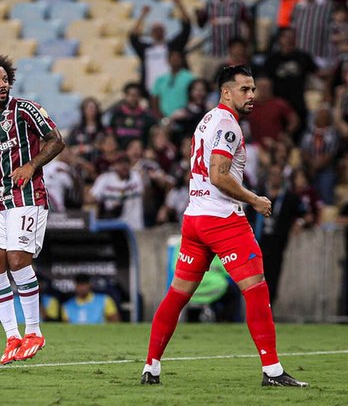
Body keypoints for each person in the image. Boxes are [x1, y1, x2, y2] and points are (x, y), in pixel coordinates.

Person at [140, 65, 309, 387]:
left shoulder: (207, 120)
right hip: (222, 219)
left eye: (254, 89)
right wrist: (255, 199)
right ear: (226, 92)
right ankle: (272, 371)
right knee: (257, 290)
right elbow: (219, 175)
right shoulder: (228, 126)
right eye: (245, 89)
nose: (252, 96)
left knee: (177, 295)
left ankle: (151, 366)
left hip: (194, 219)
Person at [0, 54, 65, 365]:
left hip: (27, 196)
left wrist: (31, 166)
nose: (3, 84)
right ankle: (12, 337)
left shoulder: (25, 110)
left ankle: (33, 330)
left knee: (17, 259)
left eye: (5, 79)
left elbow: (56, 141)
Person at [247, 164, 304, 306]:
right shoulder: (258, 195)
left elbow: (304, 213)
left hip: (277, 243)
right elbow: (248, 214)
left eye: (278, 175)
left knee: (272, 278)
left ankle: (268, 307)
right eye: (272, 174)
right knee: (254, 278)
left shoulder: (289, 197)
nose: (275, 178)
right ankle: (256, 308)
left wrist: (300, 222)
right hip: (257, 242)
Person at [129, 0, 191, 95]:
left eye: (160, 30)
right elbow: (133, 37)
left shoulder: (173, 47)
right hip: (151, 91)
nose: (158, 32)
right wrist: (142, 15)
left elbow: (186, 28)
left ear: (164, 32)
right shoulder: (145, 49)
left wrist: (179, 5)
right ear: (151, 33)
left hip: (172, 90)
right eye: (155, 30)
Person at [87, 154, 144, 230]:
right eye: (120, 163)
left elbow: (143, 191)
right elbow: (90, 198)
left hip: (135, 226)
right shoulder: (105, 179)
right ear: (114, 165)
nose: (124, 165)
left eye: (126, 163)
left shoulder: (136, 177)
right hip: (113, 226)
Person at [246, 75, 299, 150]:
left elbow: (294, 119)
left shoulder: (279, 104)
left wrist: (286, 133)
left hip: (276, 144)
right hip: (254, 146)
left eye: (266, 87)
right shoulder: (249, 105)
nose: (263, 90)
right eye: (261, 87)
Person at [106, 82, 157, 150]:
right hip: (119, 155)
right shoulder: (115, 115)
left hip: (140, 156)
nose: (133, 98)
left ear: (140, 97)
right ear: (125, 96)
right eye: (130, 95)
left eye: (136, 95)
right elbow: (110, 136)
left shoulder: (147, 117)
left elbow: (152, 138)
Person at [151, 49, 194, 119]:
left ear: (182, 60)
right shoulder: (160, 79)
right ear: (167, 60)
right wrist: (162, 118)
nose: (175, 60)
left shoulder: (190, 78)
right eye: (172, 57)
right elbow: (155, 101)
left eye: (177, 58)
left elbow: (194, 100)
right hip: (164, 120)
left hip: (184, 119)